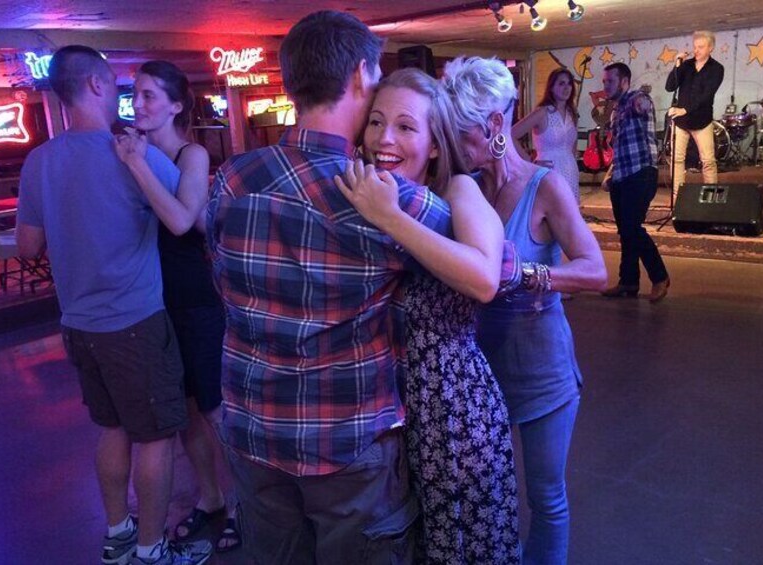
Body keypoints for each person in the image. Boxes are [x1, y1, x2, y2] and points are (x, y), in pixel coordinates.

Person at [206, 11, 454, 564]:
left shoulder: (232, 179)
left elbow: (221, 279)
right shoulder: (387, 198)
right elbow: (492, 267)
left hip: (252, 432)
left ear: (292, 81)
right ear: (363, 75)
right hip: (349, 442)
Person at [15, 45, 212, 565]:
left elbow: (29, 246)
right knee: (155, 438)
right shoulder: (130, 154)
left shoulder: (39, 160)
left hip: (77, 325)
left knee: (112, 429)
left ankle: (119, 534)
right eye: (124, 88)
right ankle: (152, 550)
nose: (129, 99)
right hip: (135, 322)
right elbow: (189, 218)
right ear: (99, 85)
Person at [334, 67, 521, 563]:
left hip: (450, 412)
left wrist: (390, 217)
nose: (384, 138)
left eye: (405, 126)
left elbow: (483, 278)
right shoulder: (363, 189)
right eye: (375, 122)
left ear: (435, 144)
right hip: (382, 417)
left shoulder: (459, 189)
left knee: (460, 550)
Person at [442, 56, 607, 565]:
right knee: (490, 499)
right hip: (480, 377)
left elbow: (595, 271)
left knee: (546, 498)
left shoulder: (545, 186)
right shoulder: (462, 189)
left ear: (494, 125)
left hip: (541, 373)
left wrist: (529, 275)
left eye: (460, 134)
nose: (454, 147)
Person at [114, 60, 239, 554]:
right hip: (150, 299)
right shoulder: (131, 153)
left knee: (213, 407)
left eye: (149, 95)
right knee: (184, 411)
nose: (139, 104)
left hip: (193, 297)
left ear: (175, 105)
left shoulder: (192, 156)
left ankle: (242, 504)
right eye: (135, 94)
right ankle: (210, 498)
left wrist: (137, 165)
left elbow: (183, 220)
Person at [600, 62, 671, 302]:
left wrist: (643, 98)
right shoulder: (615, 110)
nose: (606, 86)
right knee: (625, 232)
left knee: (632, 227)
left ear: (624, 81)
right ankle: (628, 281)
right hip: (622, 176)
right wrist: (611, 175)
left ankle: (660, 276)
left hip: (641, 174)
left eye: (610, 81)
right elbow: (620, 147)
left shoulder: (636, 100)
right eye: (604, 82)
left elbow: (643, 104)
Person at [665, 30, 724, 201]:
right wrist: (677, 65)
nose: (696, 50)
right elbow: (670, 87)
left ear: (710, 48)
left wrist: (686, 109)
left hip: (702, 121)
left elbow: (706, 95)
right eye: (695, 47)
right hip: (681, 121)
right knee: (677, 160)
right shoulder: (687, 65)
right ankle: (677, 200)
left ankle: (712, 198)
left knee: (708, 161)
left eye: (701, 47)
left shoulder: (717, 69)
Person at [511, 68, 580, 203]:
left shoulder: (572, 113)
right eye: (561, 84)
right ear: (552, 88)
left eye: (569, 84)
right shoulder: (542, 113)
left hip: (570, 170)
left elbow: (572, 145)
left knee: (569, 216)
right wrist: (529, 161)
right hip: (549, 170)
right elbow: (511, 134)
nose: (566, 88)